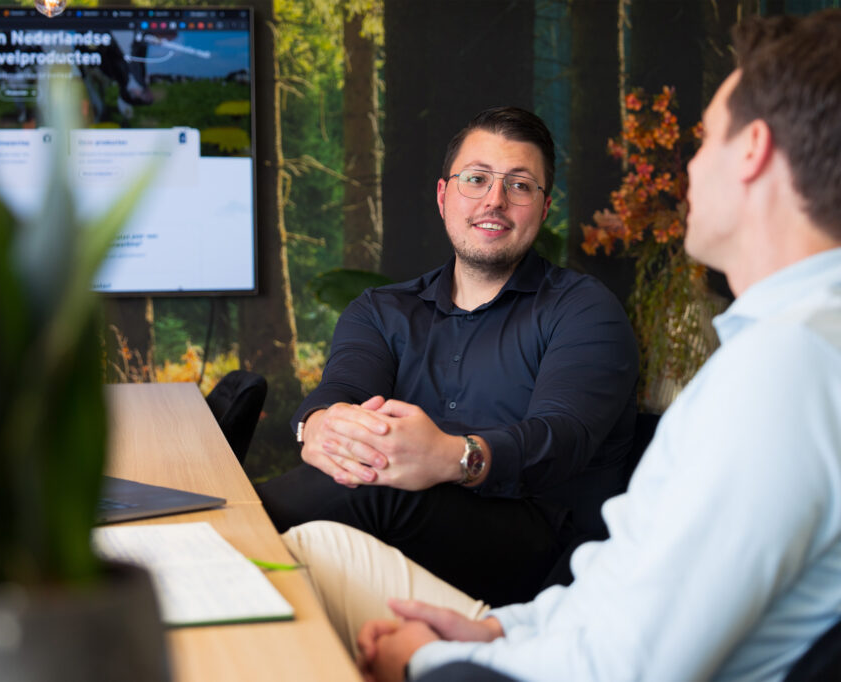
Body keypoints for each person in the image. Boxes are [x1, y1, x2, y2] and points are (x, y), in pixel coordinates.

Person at [293, 10, 841, 681]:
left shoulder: (784, 371)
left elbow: (627, 665)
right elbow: (622, 584)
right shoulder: (785, 352)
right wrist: (499, 630)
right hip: (539, 625)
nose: (690, 169)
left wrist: (426, 660)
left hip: (535, 613)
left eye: (704, 142)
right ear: (444, 195)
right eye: (476, 179)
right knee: (313, 545)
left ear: (751, 150)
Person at [258, 106, 639, 608]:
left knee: (377, 487)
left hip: (537, 555)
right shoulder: (381, 310)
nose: (495, 200)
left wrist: (452, 457)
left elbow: (562, 436)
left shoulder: (584, 309)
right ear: (443, 196)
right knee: (356, 491)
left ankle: (208, 547)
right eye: (476, 179)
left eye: (520, 185)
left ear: (544, 208)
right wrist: (320, 424)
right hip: (402, 532)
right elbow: (343, 390)